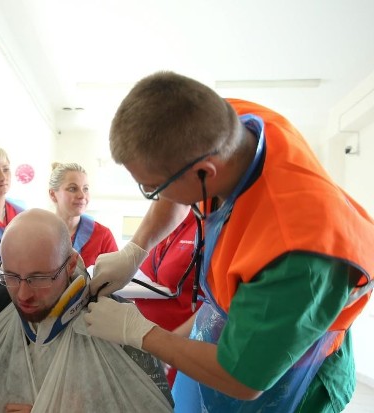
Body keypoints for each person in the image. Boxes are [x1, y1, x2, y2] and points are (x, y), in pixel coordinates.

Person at [84, 71, 374, 412]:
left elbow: (243, 378)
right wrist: (137, 248)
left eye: (153, 188)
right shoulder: (225, 125)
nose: (154, 197)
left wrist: (142, 334)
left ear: (207, 172)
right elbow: (175, 174)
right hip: (236, 322)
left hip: (291, 371)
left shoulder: (297, 254)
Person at [0, 208, 174, 412]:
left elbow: (150, 404)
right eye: (11, 276)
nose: (22, 295)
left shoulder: (112, 319)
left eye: (39, 278)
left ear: (70, 265)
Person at [133, 210, 201, 388]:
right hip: (150, 350)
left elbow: (219, 307)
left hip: (181, 353)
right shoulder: (165, 223)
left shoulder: (206, 226)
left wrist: (167, 346)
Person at [48, 162, 118, 267]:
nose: (82, 195)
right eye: (72, 188)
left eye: (85, 189)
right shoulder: (38, 234)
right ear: (53, 194)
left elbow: (116, 279)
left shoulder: (103, 236)